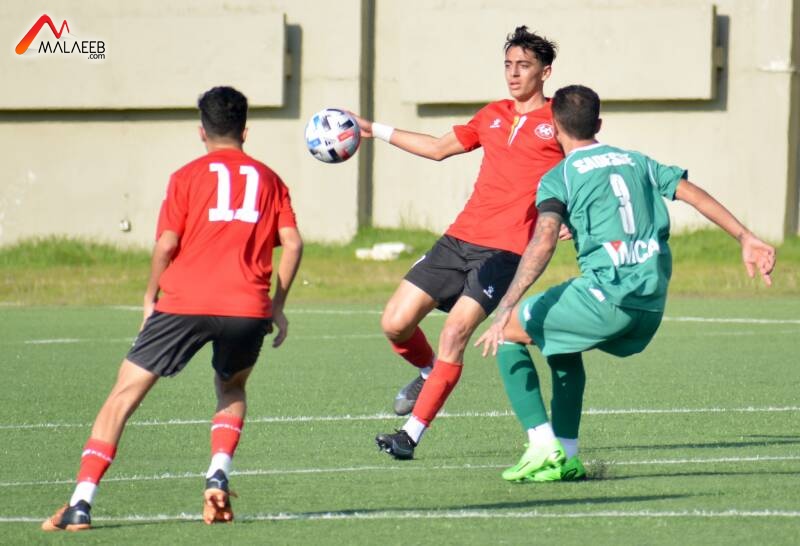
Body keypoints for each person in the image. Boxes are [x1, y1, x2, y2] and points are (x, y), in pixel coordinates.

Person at [475, 84, 776, 483]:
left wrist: (504, 308)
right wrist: (745, 237)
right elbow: (694, 195)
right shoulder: (639, 161)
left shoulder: (559, 176)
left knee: (509, 334)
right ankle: (567, 456)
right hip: (650, 306)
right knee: (561, 345)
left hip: (606, 298)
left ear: (555, 127)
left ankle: (541, 444)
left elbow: (543, 240)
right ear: (598, 124)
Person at [42, 86, 303, 531]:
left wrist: (150, 297)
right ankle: (218, 473)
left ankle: (81, 503)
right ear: (245, 131)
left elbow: (166, 244)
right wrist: (277, 306)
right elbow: (293, 243)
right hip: (247, 306)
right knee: (232, 388)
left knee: (122, 397)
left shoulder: (185, 176)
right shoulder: (271, 180)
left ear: (202, 131)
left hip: (184, 301)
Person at [353, 26, 565, 460]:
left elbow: (584, 170)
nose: (513, 73)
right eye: (508, 65)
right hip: (457, 239)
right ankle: (428, 371)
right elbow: (437, 148)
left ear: (545, 72)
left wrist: (574, 220)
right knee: (394, 323)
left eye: (523, 66)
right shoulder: (492, 114)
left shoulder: (559, 121)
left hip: (505, 253)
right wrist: (375, 129)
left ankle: (409, 436)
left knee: (454, 333)